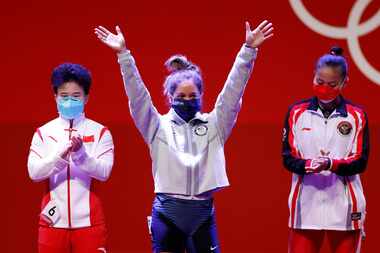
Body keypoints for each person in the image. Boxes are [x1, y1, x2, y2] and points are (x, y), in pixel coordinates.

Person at [94, 20, 273, 253]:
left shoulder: (215, 124)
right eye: (181, 95)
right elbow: (137, 96)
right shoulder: (156, 126)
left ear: (201, 95)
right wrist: (124, 55)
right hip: (167, 214)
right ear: (169, 97)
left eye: (192, 95)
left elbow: (233, 91)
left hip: (203, 214)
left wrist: (248, 51)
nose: (187, 100)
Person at [282, 47, 370, 253]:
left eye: (331, 84)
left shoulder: (356, 116)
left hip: (345, 206)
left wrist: (331, 164)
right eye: (319, 82)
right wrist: (307, 165)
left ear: (344, 83)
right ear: (313, 75)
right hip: (306, 206)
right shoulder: (297, 112)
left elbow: (360, 161)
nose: (324, 88)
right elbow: (287, 158)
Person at [27, 63, 114, 253]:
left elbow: (104, 172)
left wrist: (81, 154)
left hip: (90, 223)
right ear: (55, 97)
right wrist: (59, 156)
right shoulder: (43, 132)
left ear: (86, 98)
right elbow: (34, 173)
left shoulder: (100, 132)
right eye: (64, 96)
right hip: (52, 222)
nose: (69, 101)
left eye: (76, 96)